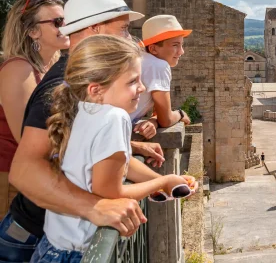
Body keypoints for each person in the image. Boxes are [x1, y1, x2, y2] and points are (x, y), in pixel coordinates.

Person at [1, 0, 163, 263]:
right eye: (123, 29)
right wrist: (95, 207)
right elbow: (24, 170)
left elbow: (88, 152)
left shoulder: (79, 77)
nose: (130, 38)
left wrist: (163, 183)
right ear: (96, 30)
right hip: (33, 238)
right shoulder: (61, 84)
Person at [30, 35, 197, 262]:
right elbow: (109, 192)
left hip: (52, 245)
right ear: (96, 89)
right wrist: (159, 184)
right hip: (76, 253)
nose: (142, 88)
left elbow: (122, 164)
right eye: (132, 82)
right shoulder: (113, 118)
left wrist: (168, 179)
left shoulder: (82, 109)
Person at [0, 0, 70, 218]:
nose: (66, 26)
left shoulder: (53, 65)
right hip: (11, 181)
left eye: (66, 19)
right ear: (32, 31)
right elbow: (26, 137)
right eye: (58, 22)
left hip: (36, 178)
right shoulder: (18, 70)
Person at [130, 15, 192, 128]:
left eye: (181, 45)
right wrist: (181, 114)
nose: (181, 51)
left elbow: (158, 115)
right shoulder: (159, 65)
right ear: (153, 49)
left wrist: (153, 121)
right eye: (175, 45)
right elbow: (166, 120)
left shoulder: (139, 59)